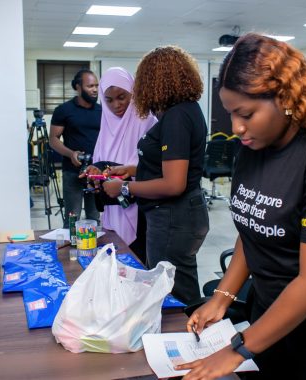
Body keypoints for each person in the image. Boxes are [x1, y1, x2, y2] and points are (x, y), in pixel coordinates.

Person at [176, 33, 306, 380]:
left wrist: (239, 348)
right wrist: (222, 297)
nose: (236, 128)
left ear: (286, 99)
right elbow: (252, 230)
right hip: (274, 299)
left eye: (246, 113)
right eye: (230, 114)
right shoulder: (252, 149)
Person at [102, 46, 210, 304]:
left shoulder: (176, 117)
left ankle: (185, 340)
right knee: (174, 282)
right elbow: (173, 163)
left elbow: (173, 183)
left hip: (174, 216)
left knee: (172, 292)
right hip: (180, 214)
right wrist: (131, 170)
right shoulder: (187, 110)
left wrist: (125, 188)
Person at [82, 67, 157, 262]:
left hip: (141, 206)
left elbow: (156, 167)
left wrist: (124, 172)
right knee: (116, 260)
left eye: (122, 97)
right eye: (109, 100)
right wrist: (95, 171)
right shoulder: (106, 126)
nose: (116, 105)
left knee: (138, 261)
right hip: (112, 206)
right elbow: (100, 161)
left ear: (133, 92)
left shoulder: (148, 121)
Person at [48, 69, 101, 225]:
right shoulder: (63, 110)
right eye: (90, 86)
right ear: (78, 87)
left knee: (94, 218)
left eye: (96, 86)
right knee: (72, 218)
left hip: (96, 171)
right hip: (72, 171)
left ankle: (94, 249)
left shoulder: (102, 110)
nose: (95, 90)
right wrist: (71, 154)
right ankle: (70, 247)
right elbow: (53, 139)